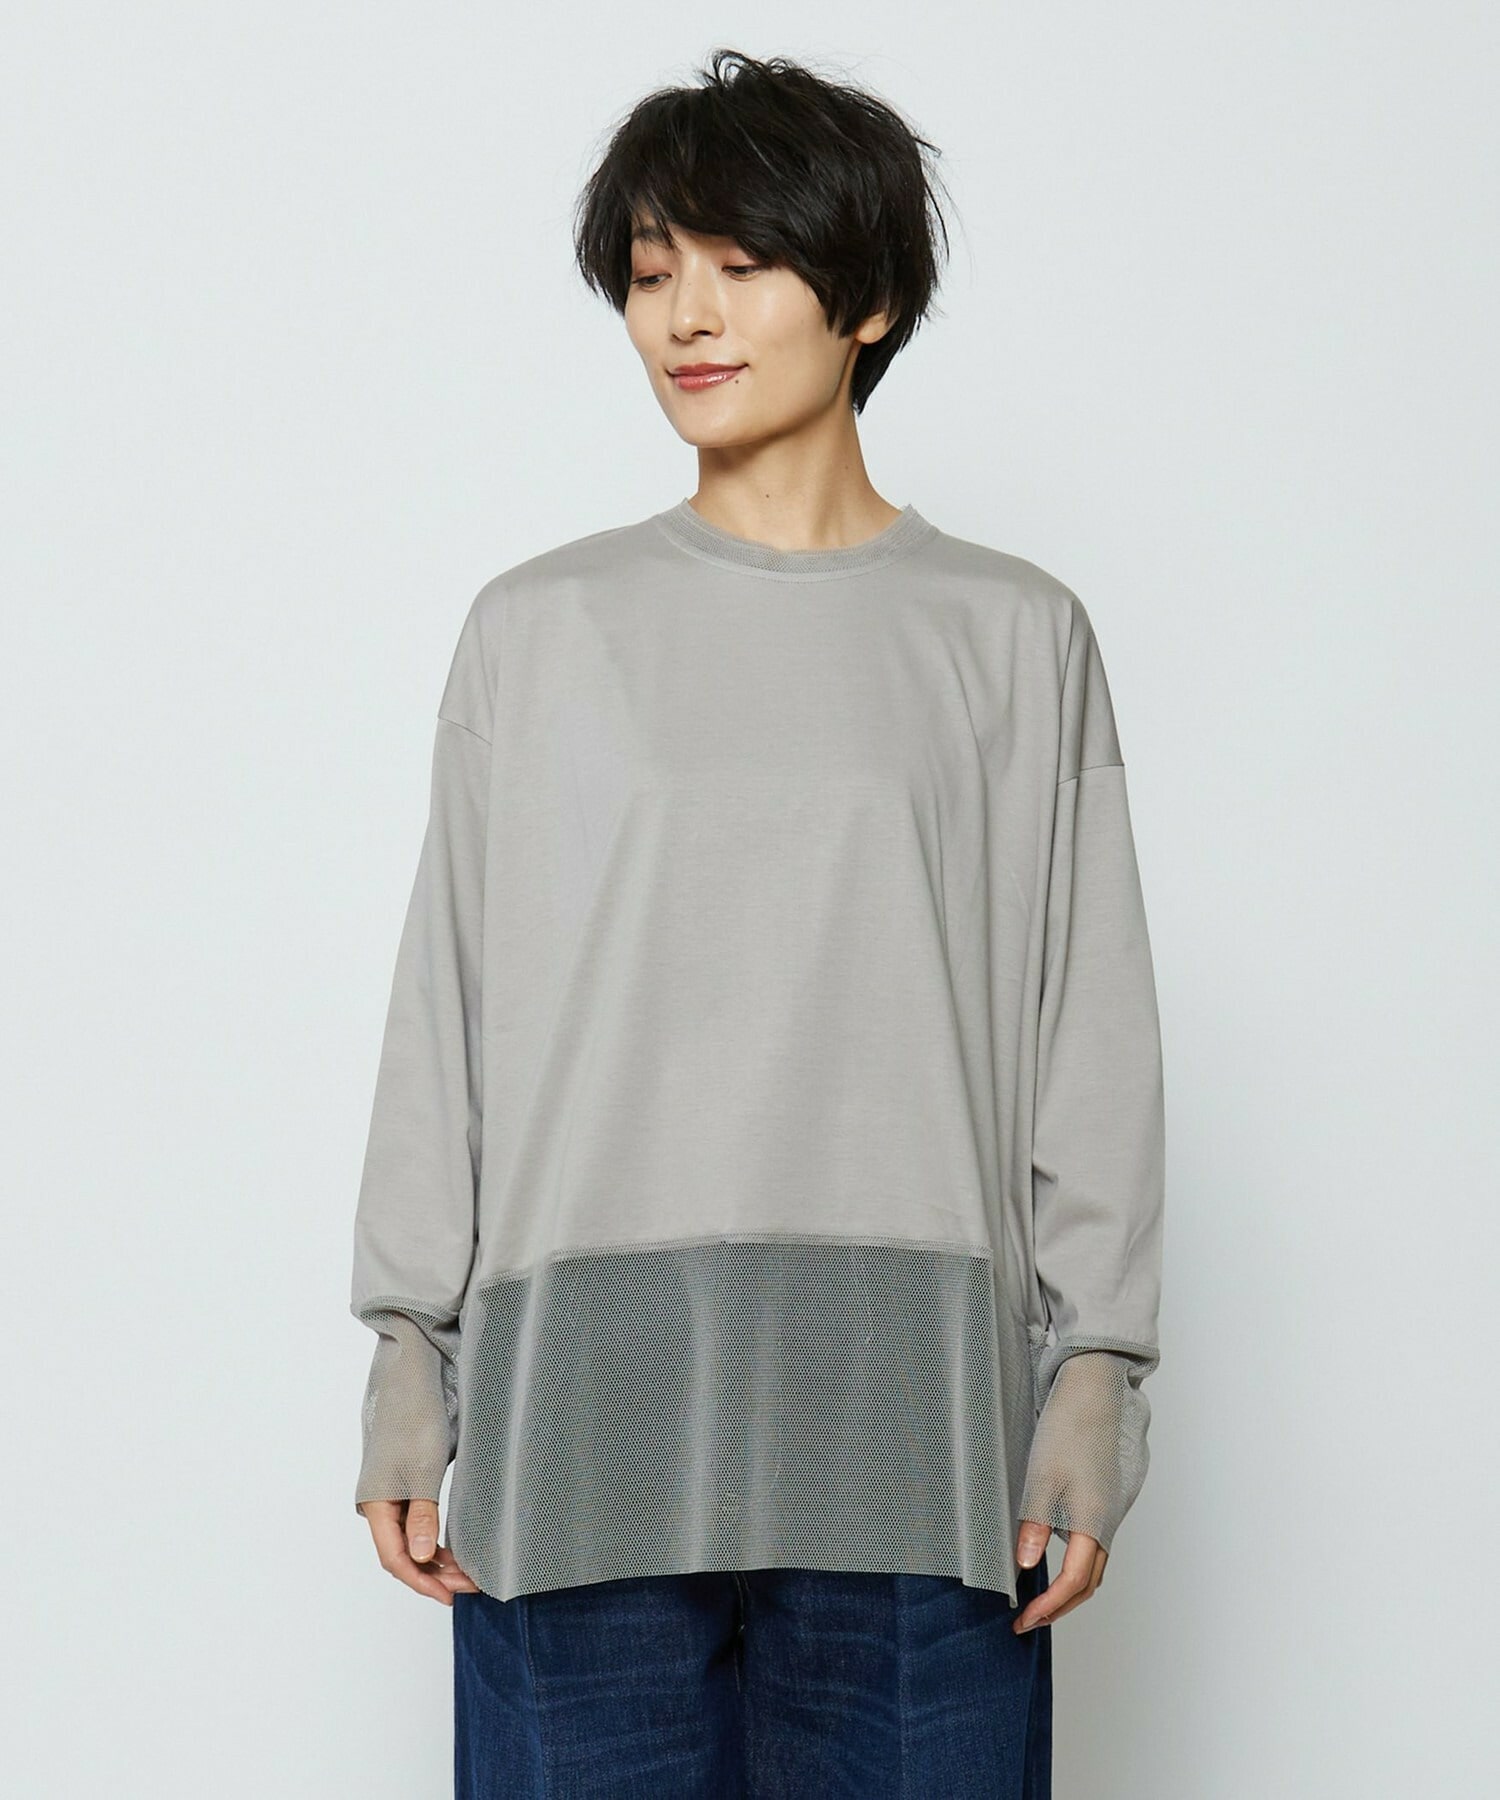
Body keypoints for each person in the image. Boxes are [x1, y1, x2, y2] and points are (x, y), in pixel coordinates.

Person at [349, 46, 1165, 1800]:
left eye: (740, 264)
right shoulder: (538, 631)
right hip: (584, 1410)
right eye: (653, 273)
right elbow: (450, 1007)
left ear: (867, 299)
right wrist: (410, 1348)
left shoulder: (1011, 637)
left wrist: (1097, 1365)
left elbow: (1084, 1023)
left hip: (913, 1427)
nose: (686, 318)